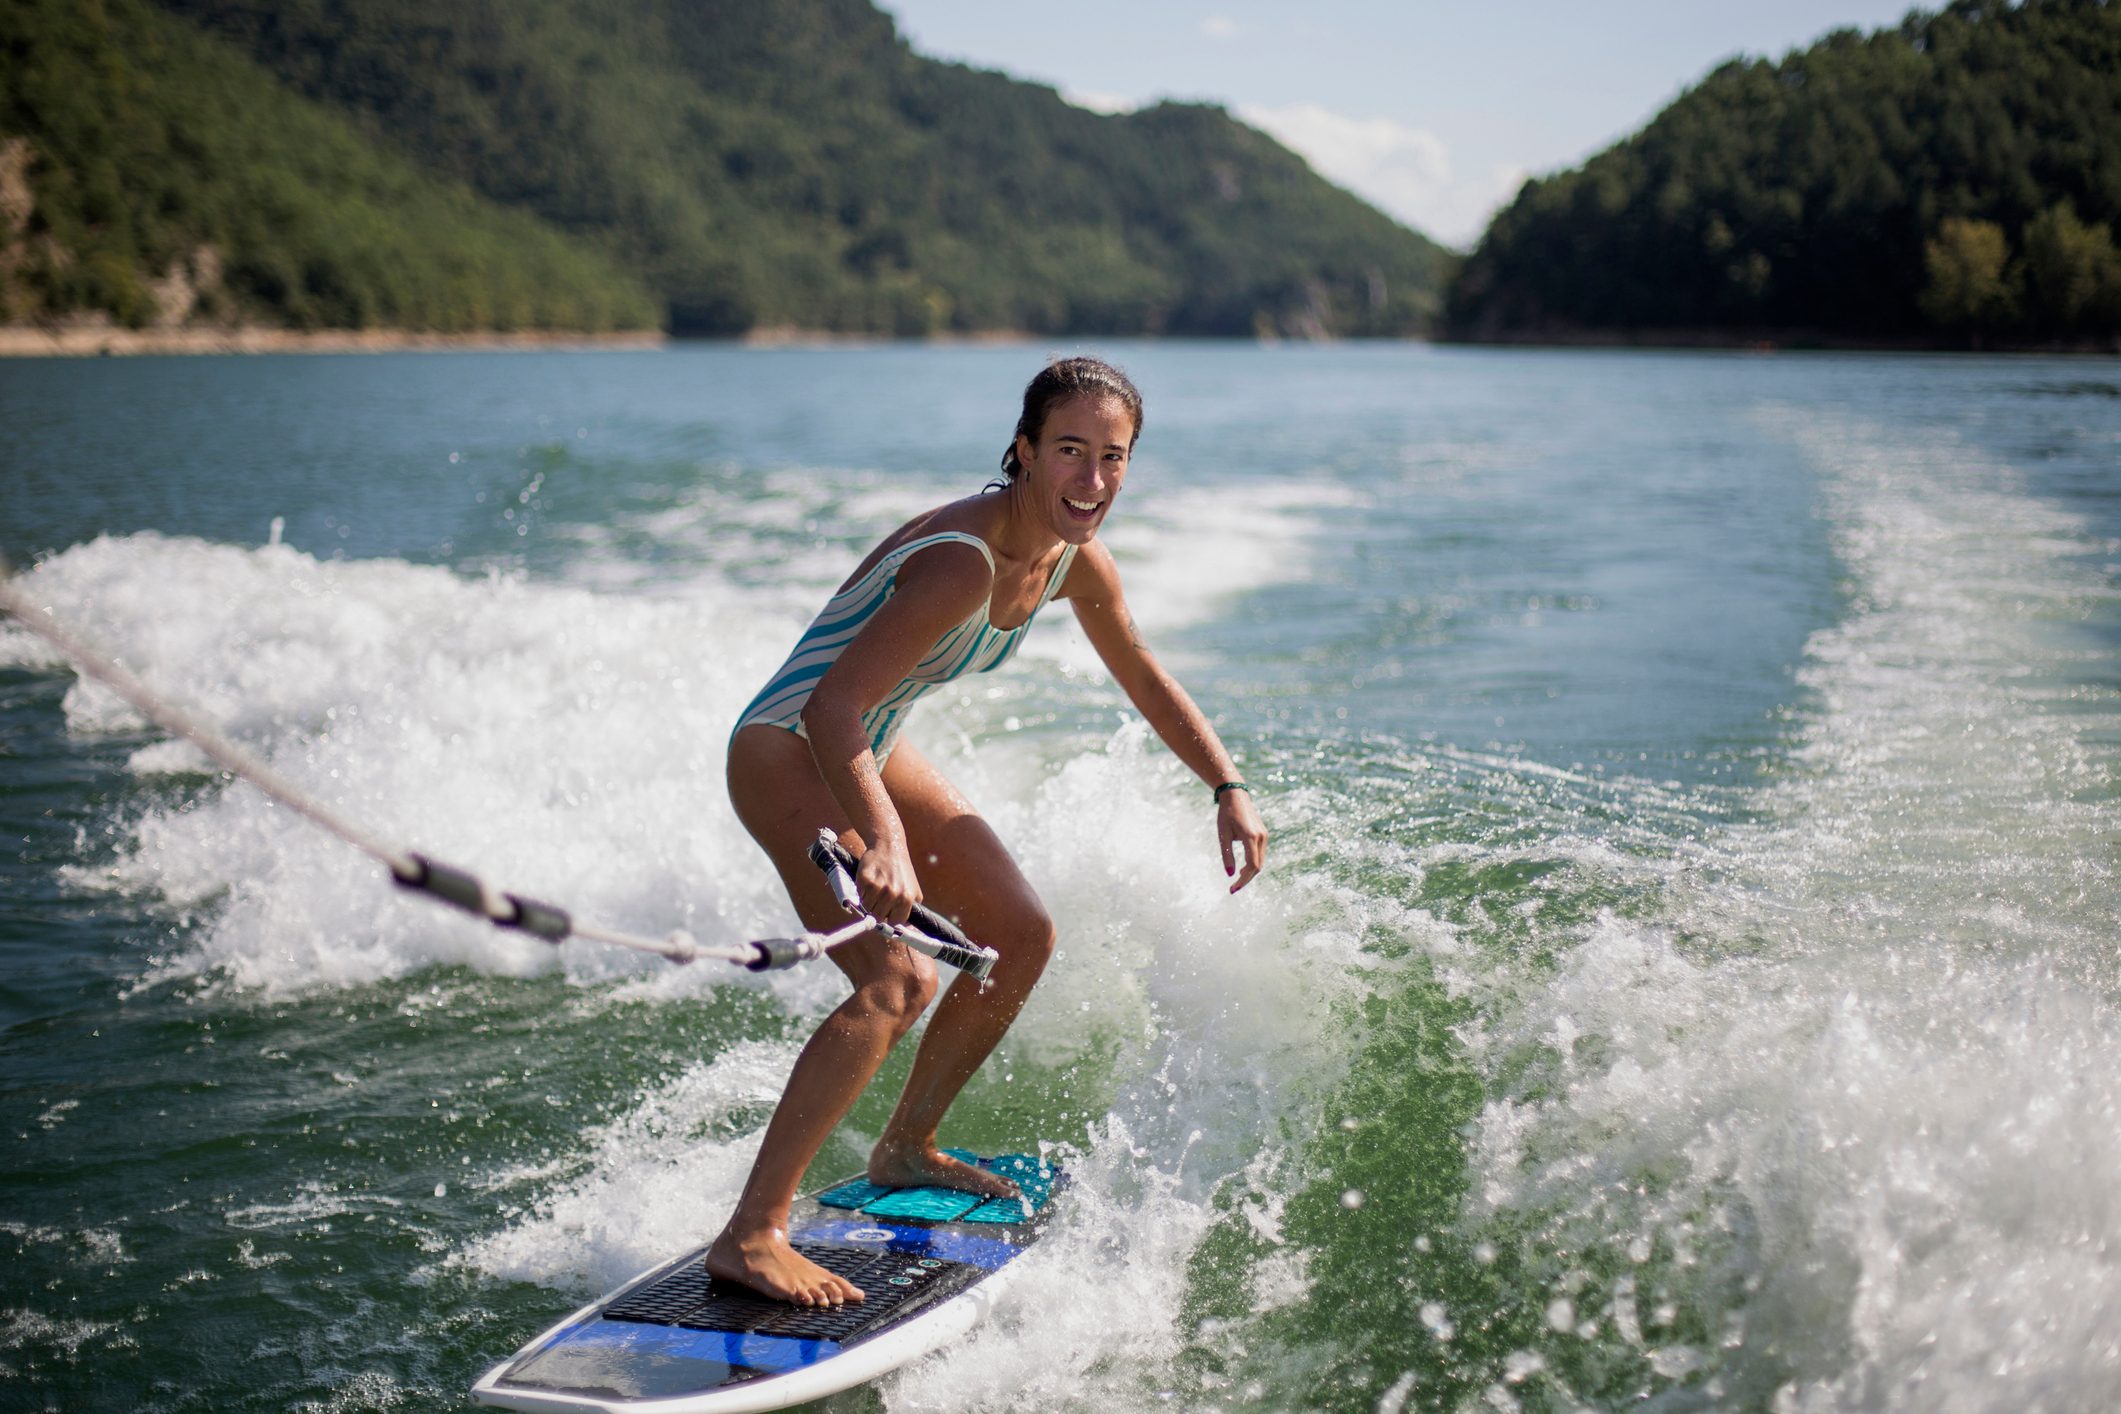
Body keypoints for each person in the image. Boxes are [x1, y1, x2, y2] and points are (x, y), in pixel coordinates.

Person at [707, 356, 1269, 1307]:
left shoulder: (1071, 561)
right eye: (1069, 452)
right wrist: (879, 839)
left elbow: (1139, 671)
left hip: (863, 744)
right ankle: (752, 1234)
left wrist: (1225, 782)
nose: (1091, 481)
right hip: (788, 748)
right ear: (1022, 451)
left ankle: (905, 1145)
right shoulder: (959, 563)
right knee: (897, 979)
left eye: (1112, 457)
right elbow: (833, 707)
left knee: (1018, 933)